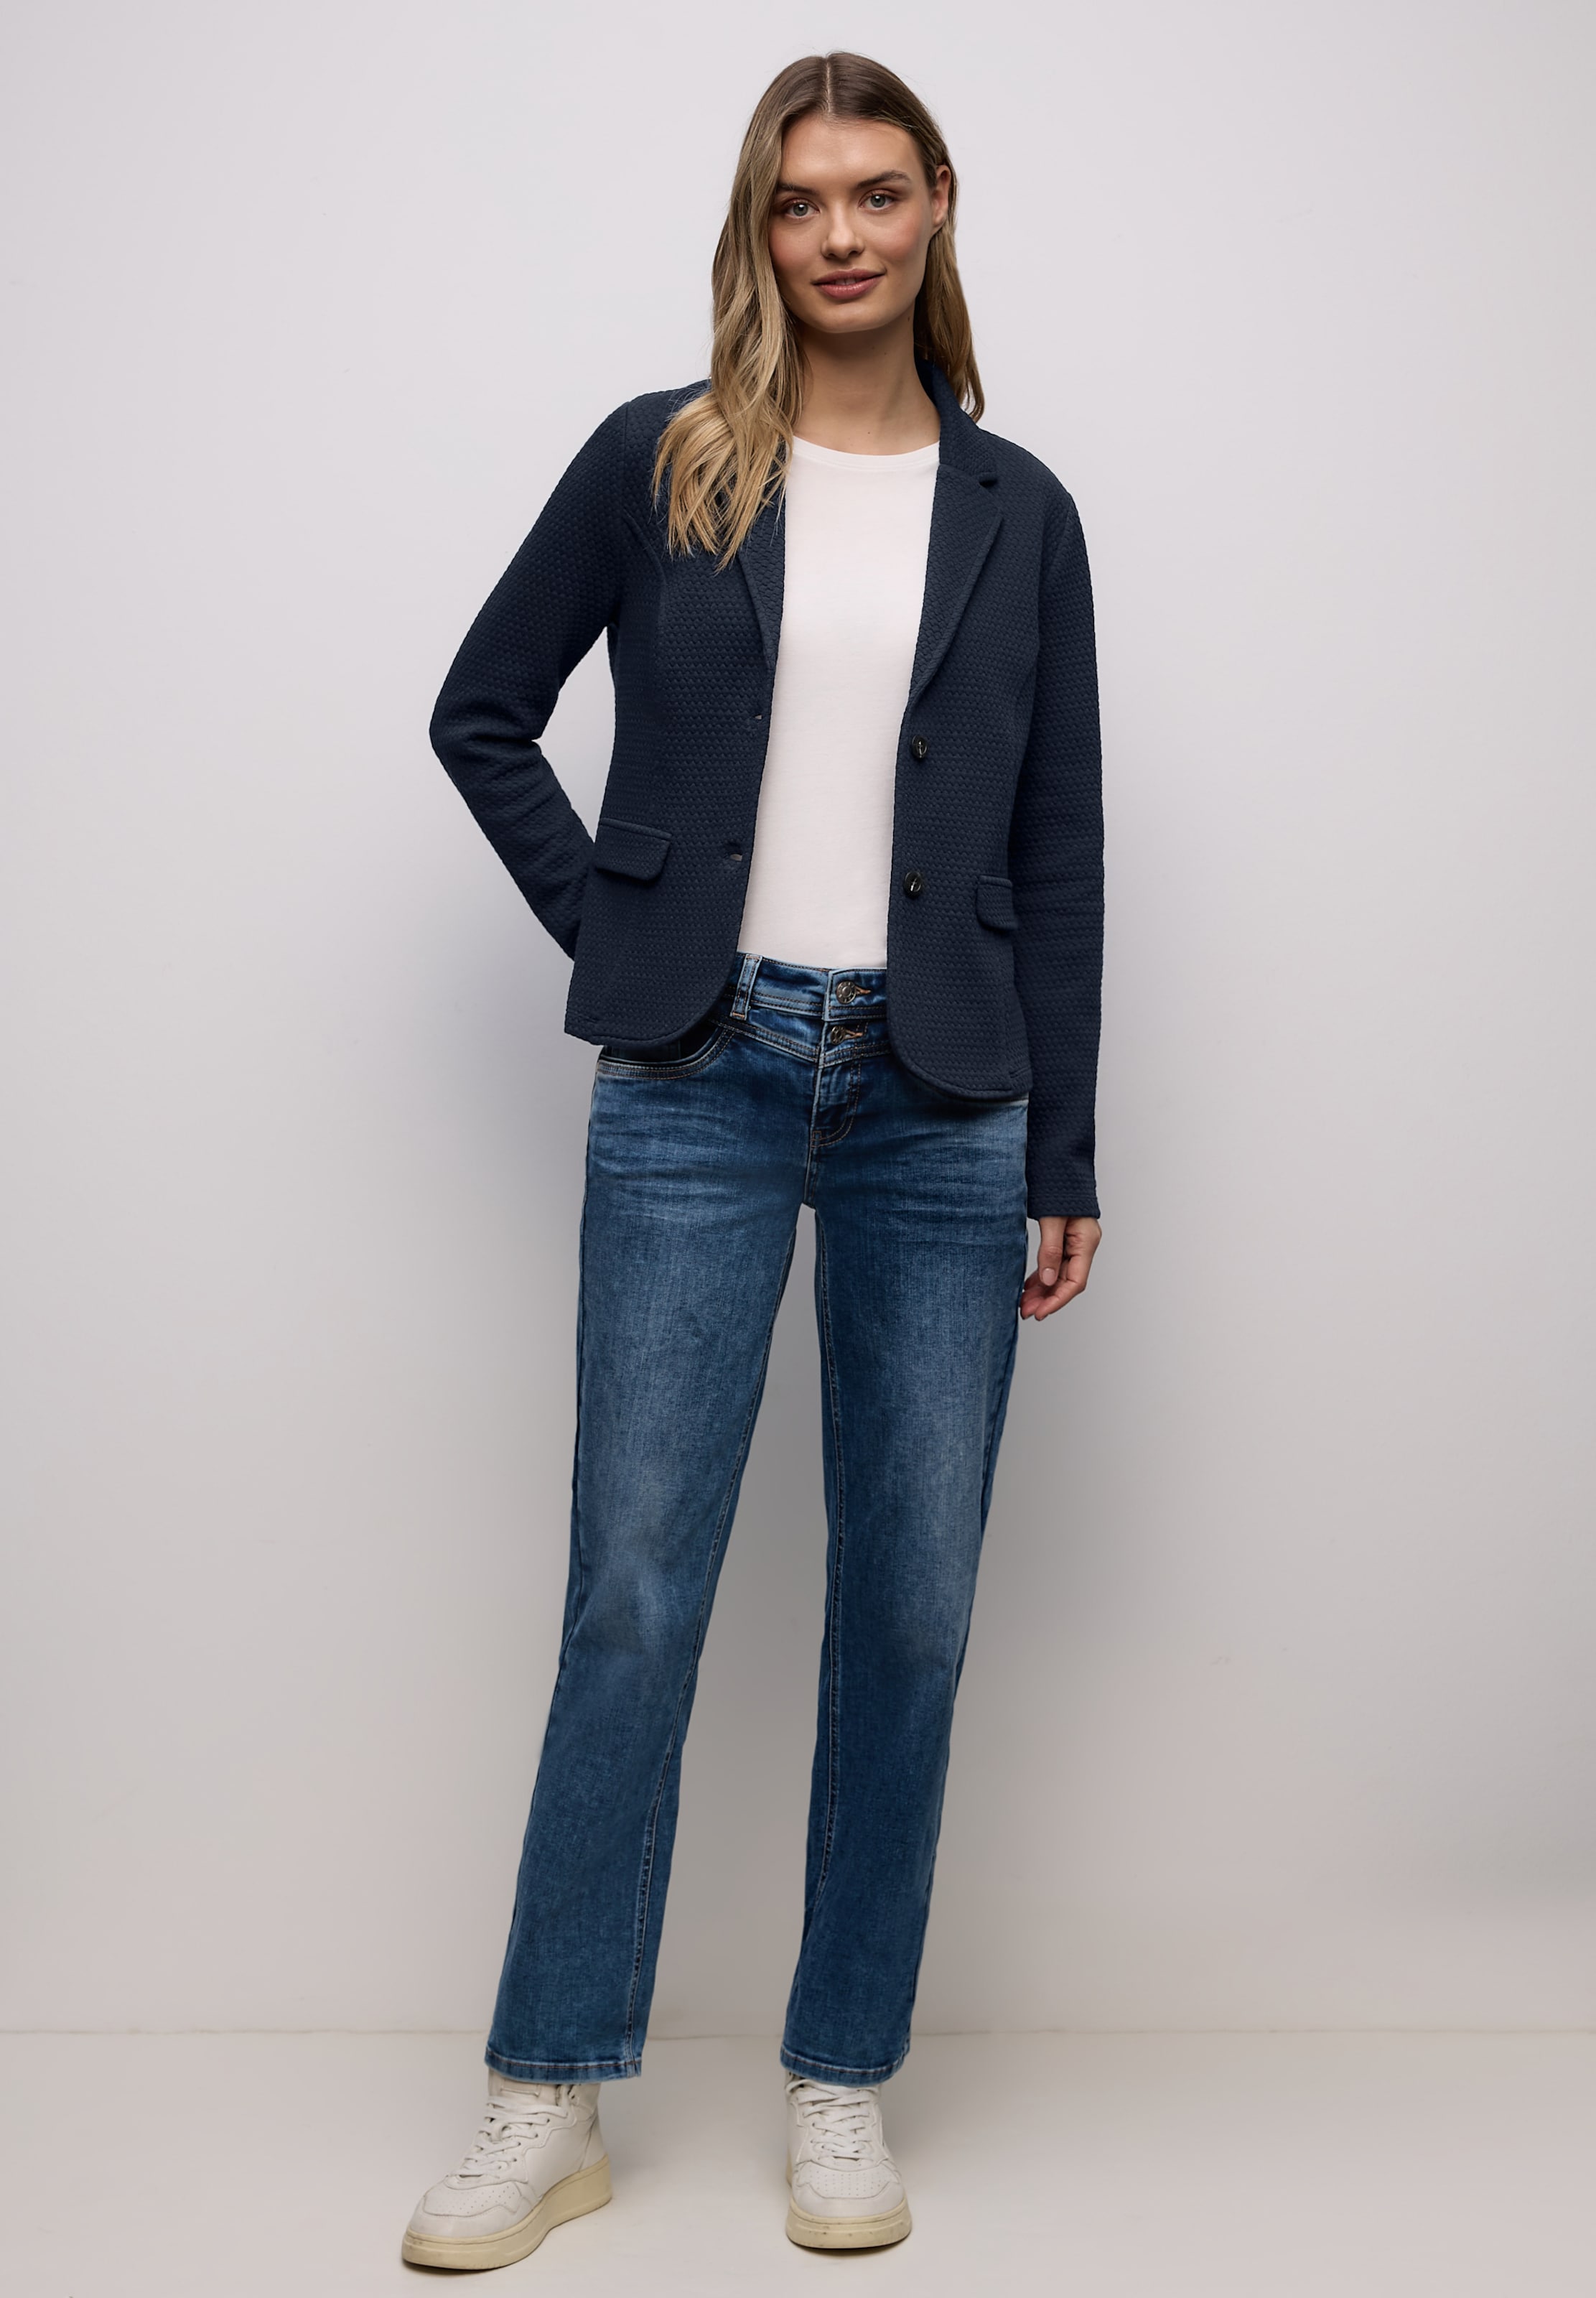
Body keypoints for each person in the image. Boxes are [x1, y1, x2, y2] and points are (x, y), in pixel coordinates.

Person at [401, 50, 1103, 2271]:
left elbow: (1059, 844)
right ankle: (549, 2093)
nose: (841, 234)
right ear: (759, 225)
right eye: (802, 200)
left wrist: (1067, 1139)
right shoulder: (667, 461)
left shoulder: (1021, 511)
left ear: (935, 205)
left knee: (912, 1605)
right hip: (698, 1079)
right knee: (633, 1587)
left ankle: (840, 2079)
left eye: (877, 192)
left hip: (946, 1102)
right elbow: (481, 710)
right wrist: (626, 933)